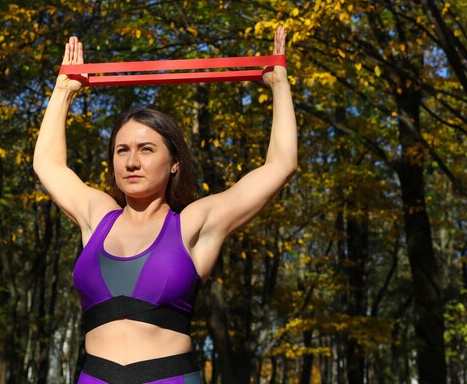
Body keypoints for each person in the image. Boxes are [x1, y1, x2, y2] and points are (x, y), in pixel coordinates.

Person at [33, 26, 296, 384]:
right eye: (122, 150)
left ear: (174, 161)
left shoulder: (192, 224)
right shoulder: (97, 217)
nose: (132, 162)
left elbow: (279, 165)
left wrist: (279, 86)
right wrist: (64, 91)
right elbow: (48, 164)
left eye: (146, 149)